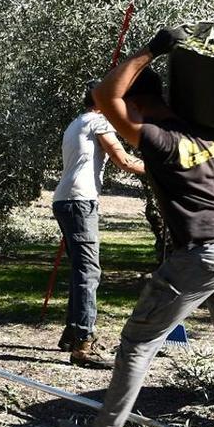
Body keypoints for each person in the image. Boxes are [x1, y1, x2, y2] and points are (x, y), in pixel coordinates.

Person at [58, 25, 214, 427]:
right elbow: (115, 98)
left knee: (137, 342)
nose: (111, 114)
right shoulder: (205, 127)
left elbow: (108, 96)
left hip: (202, 255)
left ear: (137, 103)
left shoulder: (159, 140)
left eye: (124, 108)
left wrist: (154, 48)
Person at [53, 81, 145, 368]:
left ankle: (73, 332)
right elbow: (125, 161)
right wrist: (167, 166)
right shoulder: (97, 121)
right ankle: (84, 343)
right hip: (80, 202)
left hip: (66, 201)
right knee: (89, 272)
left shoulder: (76, 122)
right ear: (104, 101)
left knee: (81, 269)